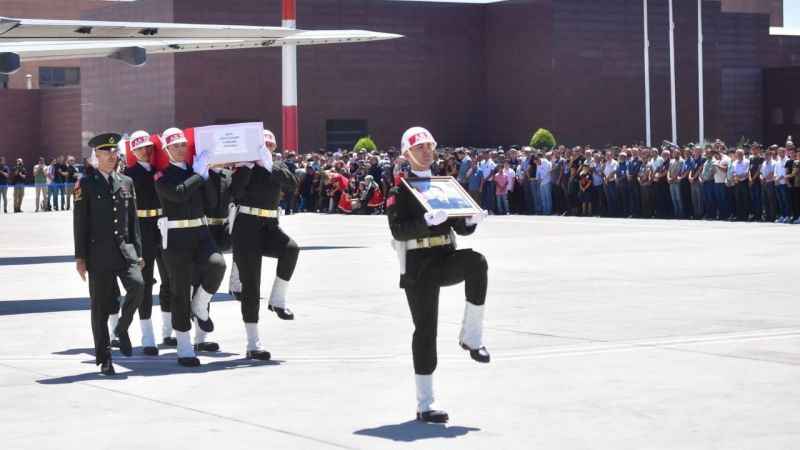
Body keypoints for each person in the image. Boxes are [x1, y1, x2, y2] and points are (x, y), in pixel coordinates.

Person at [387, 126, 490, 424]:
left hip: (444, 255)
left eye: (429, 146)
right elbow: (398, 230)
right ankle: (425, 403)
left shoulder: (445, 184)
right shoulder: (400, 191)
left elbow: (460, 228)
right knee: (425, 329)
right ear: (407, 154)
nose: (426, 152)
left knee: (477, 263)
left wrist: (471, 221)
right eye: (419, 148)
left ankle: (471, 337)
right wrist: (424, 222)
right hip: (419, 265)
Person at [73, 133, 145, 375]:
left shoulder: (126, 182)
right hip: (98, 254)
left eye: (115, 152)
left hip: (125, 251)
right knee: (101, 308)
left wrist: (139, 251)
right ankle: (105, 358)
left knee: (138, 285)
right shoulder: (86, 183)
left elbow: (133, 220)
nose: (113, 156)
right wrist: (80, 258)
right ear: (97, 156)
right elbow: (80, 223)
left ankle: (122, 328)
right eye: (107, 152)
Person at [154, 127, 226, 367]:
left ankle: (200, 303)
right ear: (166, 150)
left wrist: (209, 175)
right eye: (175, 146)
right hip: (176, 237)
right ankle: (184, 346)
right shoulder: (162, 176)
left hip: (201, 232)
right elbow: (179, 194)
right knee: (180, 290)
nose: (181, 149)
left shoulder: (198, 172)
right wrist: (198, 175)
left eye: (183, 144)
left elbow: (212, 202)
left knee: (217, 265)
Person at [229, 129, 299, 360]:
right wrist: (247, 167)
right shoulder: (244, 167)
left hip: (269, 224)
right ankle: (253, 342)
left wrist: (269, 165)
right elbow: (234, 192)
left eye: (270, 145)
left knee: (290, 249)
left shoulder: (275, 167)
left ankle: (277, 300)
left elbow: (292, 184)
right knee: (252, 285)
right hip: (246, 226)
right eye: (262, 145)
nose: (266, 148)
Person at [123, 130, 174, 355]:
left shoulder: (159, 171)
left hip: (160, 225)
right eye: (141, 147)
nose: (146, 151)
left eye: (149, 147)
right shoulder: (128, 174)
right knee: (145, 282)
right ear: (133, 150)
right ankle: (147, 335)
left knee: (169, 278)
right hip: (141, 228)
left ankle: (168, 330)